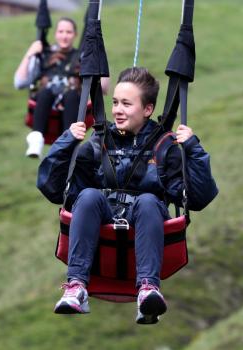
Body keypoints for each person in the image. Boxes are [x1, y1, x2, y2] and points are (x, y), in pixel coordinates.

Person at [37, 67, 218, 324]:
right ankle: (76, 285)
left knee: (147, 201)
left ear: (147, 109)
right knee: (87, 196)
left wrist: (192, 147)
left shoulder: (165, 148)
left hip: (145, 228)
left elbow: (198, 197)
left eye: (126, 104)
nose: (117, 110)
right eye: (115, 103)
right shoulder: (99, 143)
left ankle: (148, 289)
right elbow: (53, 188)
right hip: (101, 231)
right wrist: (67, 142)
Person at [14, 17, 110, 158]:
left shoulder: (82, 58)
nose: (64, 35)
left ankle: (68, 144)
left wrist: (99, 54)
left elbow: (104, 89)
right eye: (61, 31)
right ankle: (36, 139)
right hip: (45, 105)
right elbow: (19, 83)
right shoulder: (44, 55)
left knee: (71, 95)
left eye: (69, 32)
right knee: (46, 92)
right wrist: (30, 53)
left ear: (75, 35)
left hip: (71, 105)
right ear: (55, 34)